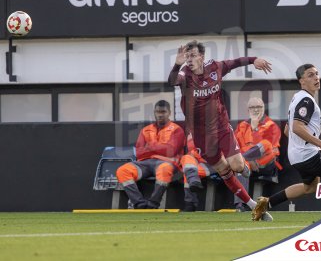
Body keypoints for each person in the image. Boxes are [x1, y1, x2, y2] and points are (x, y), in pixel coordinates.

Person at [169, 40, 273, 220]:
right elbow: (171, 81)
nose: (189, 60)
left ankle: (243, 166)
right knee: (224, 171)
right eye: (187, 57)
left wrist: (254, 59)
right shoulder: (185, 74)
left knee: (238, 166)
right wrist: (177, 64)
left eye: (192, 56)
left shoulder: (216, 67)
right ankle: (253, 205)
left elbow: (235, 62)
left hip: (221, 126)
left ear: (202, 57)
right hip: (202, 136)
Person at [252, 64, 321, 220]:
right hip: (308, 155)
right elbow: (296, 127)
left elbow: (288, 131)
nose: (316, 77)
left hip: (298, 157)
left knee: (310, 188)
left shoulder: (296, 98)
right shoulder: (306, 101)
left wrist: (300, 146)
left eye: (317, 74)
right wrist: (320, 143)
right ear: (301, 81)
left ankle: (266, 203)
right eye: (310, 75)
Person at [116, 100, 185, 209]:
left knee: (164, 170)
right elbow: (139, 152)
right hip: (145, 163)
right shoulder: (145, 130)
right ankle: (139, 203)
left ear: (169, 113)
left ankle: (153, 204)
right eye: (158, 112)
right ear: (154, 112)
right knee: (122, 171)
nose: (160, 115)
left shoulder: (177, 130)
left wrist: (151, 146)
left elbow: (171, 150)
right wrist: (160, 148)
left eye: (163, 112)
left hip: (167, 163)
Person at [233, 97, 283, 212]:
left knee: (265, 144)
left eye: (259, 107)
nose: (256, 110)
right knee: (241, 164)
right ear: (248, 110)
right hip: (247, 163)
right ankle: (240, 205)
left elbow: (274, 151)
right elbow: (235, 148)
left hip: (266, 163)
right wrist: (248, 159)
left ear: (263, 108)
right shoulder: (242, 126)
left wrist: (254, 129)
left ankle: (246, 158)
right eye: (252, 107)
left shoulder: (271, 126)